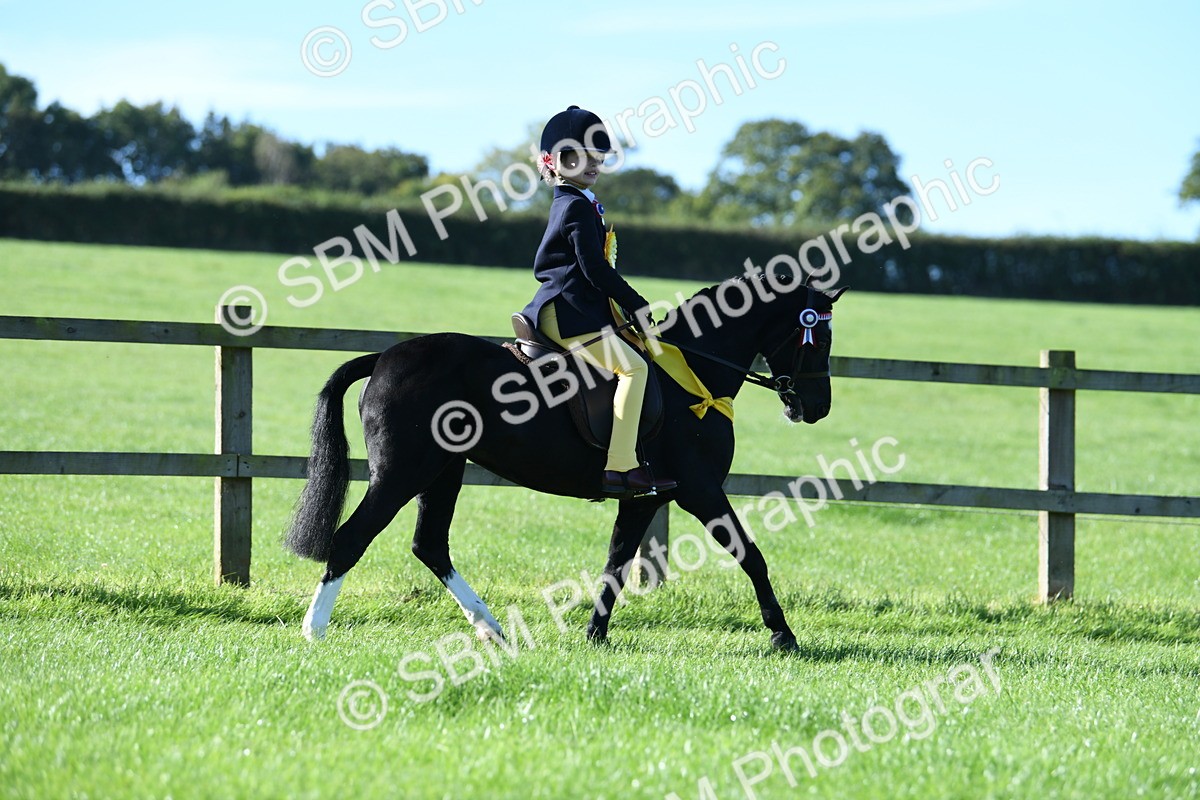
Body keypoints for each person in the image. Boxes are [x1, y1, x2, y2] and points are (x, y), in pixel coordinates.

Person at [520, 105, 677, 497]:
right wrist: (636, 303)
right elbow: (594, 270)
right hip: (566, 313)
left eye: (598, 156)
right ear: (556, 162)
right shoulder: (574, 206)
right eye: (581, 156)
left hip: (576, 308)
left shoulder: (579, 202)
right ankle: (620, 466)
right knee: (634, 369)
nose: (592, 163)